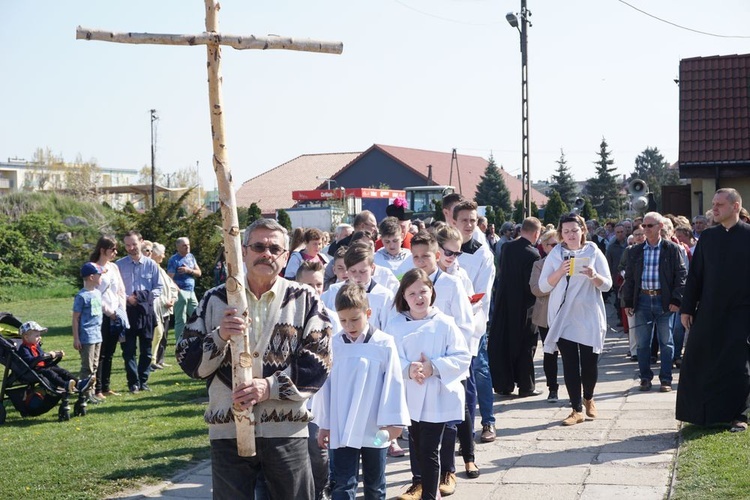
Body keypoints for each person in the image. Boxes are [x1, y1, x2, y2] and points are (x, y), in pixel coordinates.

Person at [176, 218, 333, 498]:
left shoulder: (305, 299)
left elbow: (318, 362)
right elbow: (189, 362)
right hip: (228, 430)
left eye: (275, 249)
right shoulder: (216, 299)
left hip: (286, 428)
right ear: (244, 252)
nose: (267, 254)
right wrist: (219, 336)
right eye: (259, 246)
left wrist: (269, 388)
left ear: (286, 258)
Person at [314, 283, 410, 500]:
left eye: (355, 319)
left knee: (375, 484)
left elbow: (393, 383)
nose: (349, 326)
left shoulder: (383, 343)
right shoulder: (334, 344)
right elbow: (325, 386)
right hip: (342, 426)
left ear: (368, 313)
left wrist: (393, 423)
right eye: (343, 320)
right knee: (342, 483)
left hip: (375, 429)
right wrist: (325, 425)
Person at [401, 230, 479, 492]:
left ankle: (450, 470)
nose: (421, 261)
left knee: (449, 424)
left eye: (426, 256)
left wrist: (441, 363)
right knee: (417, 435)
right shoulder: (408, 284)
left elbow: (465, 326)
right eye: (416, 257)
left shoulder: (451, 283)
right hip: (415, 375)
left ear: (436, 255)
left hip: (447, 365)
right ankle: (419, 482)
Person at [388, 269, 471, 500]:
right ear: (404, 295)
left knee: (429, 449)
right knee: (417, 445)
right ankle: (429, 488)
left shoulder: (444, 323)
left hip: (437, 395)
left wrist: (433, 367)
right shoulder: (395, 325)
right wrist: (408, 369)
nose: (418, 297)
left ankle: (429, 496)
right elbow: (388, 356)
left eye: (423, 291)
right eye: (412, 293)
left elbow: (462, 356)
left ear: (432, 292)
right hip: (410, 395)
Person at [678, 188, 750, 432]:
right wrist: (687, 308)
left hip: (741, 312)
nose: (714, 208)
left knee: (737, 364)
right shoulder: (708, 237)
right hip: (709, 309)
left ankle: (739, 415)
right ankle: (701, 413)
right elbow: (696, 276)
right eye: (713, 204)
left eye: (719, 204)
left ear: (736, 206)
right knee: (698, 358)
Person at [539, 213, 612, 426]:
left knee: (589, 364)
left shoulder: (593, 251)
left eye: (574, 230)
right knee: (570, 364)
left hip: (588, 315)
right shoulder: (556, 255)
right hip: (563, 316)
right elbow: (543, 286)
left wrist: (593, 275)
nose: (571, 235)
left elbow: (607, 285)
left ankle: (588, 396)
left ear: (583, 230)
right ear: (561, 233)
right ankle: (576, 409)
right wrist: (560, 272)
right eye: (566, 231)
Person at [622, 212, 686, 393]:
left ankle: (666, 379)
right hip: (642, 300)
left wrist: (676, 299)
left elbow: (681, 276)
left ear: (660, 227)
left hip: (664, 301)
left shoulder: (672, 249)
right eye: (644, 225)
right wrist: (628, 302)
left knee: (666, 342)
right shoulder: (635, 251)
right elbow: (631, 280)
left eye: (650, 226)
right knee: (643, 343)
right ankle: (645, 378)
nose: (645, 229)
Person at [450, 199, 496, 443]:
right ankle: (456, 426)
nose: (469, 225)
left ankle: (488, 421)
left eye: (473, 220)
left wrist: (465, 314)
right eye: (464, 220)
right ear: (453, 221)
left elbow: (481, 292)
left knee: (479, 368)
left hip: (474, 321)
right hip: (447, 324)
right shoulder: (444, 248)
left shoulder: (482, 253)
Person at [488, 217, 542, 397]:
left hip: (505, 302)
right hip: (525, 305)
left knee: (505, 342)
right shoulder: (533, 254)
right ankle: (526, 386)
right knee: (527, 344)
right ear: (536, 233)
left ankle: (505, 384)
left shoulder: (506, 247)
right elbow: (531, 283)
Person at [117, 230, 163, 394]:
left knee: (147, 350)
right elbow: (115, 289)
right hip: (127, 311)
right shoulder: (119, 265)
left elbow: (159, 288)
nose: (131, 248)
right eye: (127, 245)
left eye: (134, 244)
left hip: (146, 312)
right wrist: (127, 298)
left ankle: (143, 380)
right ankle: (133, 383)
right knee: (128, 350)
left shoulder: (151, 265)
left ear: (141, 242)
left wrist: (144, 297)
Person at [90, 236, 129, 400]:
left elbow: (120, 289)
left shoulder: (113, 267)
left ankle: (106, 386)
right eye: (112, 249)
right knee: (101, 352)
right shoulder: (93, 267)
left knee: (111, 352)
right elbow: (94, 294)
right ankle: (97, 388)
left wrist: (121, 310)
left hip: (116, 312)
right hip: (101, 314)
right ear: (102, 250)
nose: (115, 252)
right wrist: (109, 313)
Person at [17, 321, 93, 395]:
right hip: (34, 370)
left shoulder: (36, 346)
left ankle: (79, 383)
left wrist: (54, 355)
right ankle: (64, 385)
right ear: (26, 337)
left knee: (62, 371)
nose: (40, 337)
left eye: (39, 335)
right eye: (37, 336)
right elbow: (30, 361)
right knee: (50, 373)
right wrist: (46, 356)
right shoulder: (23, 349)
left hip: (43, 367)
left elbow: (43, 358)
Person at [529, 229, 561, 402]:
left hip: (566, 314)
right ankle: (552, 388)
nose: (557, 248)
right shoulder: (539, 265)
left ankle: (575, 389)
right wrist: (552, 283)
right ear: (544, 247)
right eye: (553, 245)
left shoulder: (569, 263)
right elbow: (535, 288)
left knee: (571, 353)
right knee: (549, 353)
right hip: (546, 314)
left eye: (559, 244)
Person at [72, 262, 105, 403]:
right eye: (99, 275)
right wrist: (76, 338)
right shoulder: (82, 296)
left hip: (97, 334)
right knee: (88, 367)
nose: (101, 278)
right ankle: (85, 394)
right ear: (91, 277)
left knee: (95, 366)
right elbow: (75, 318)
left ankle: (91, 393)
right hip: (86, 336)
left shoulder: (97, 293)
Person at [167, 237, 202, 344]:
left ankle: (197, 339)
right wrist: (178, 291)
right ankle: (180, 343)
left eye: (188, 245)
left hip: (191, 292)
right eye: (184, 245)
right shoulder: (174, 260)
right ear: (178, 247)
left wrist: (188, 270)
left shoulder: (191, 257)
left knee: (197, 316)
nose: (187, 247)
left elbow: (199, 273)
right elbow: (169, 279)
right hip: (180, 292)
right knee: (181, 320)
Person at [150, 242, 179, 370]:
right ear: (155, 254)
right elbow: (156, 290)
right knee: (158, 333)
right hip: (158, 307)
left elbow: (172, 287)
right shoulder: (152, 268)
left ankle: (159, 359)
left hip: (166, 307)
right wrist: (164, 301)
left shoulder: (160, 269)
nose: (164, 255)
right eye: (162, 253)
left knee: (164, 335)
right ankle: (152, 359)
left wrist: (172, 299)